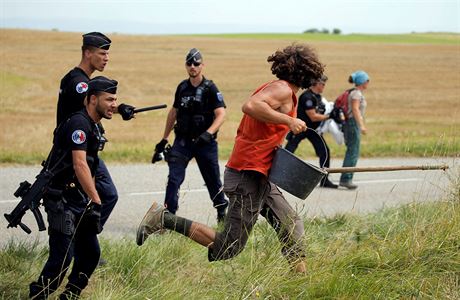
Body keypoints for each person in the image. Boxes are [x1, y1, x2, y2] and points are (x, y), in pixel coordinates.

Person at [138, 44, 324, 273]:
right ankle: (163, 219)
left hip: (261, 173)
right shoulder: (283, 90)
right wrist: (289, 121)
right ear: (307, 72)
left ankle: (300, 283)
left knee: (290, 224)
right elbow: (250, 105)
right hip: (247, 174)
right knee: (229, 246)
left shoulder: (283, 91)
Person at [29, 76, 119, 299]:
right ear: (92, 99)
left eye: (115, 99)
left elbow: (89, 165)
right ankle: (38, 295)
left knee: (90, 254)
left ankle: (70, 295)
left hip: (77, 198)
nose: (114, 104)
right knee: (62, 258)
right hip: (60, 199)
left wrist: (90, 199)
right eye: (109, 99)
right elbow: (79, 164)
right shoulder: (78, 124)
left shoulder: (94, 125)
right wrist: (96, 200)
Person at [56, 32, 135, 231]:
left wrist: (119, 109)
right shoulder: (78, 82)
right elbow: (94, 102)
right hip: (73, 152)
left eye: (108, 54)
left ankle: (84, 244)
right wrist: (119, 108)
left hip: (81, 148)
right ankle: (84, 242)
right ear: (88, 53)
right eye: (102, 53)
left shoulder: (79, 79)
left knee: (97, 197)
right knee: (105, 195)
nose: (106, 58)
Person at [152, 48, 228, 221]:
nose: (192, 66)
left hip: (205, 143)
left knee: (213, 180)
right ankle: (168, 217)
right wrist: (164, 139)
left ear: (202, 66)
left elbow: (221, 114)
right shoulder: (182, 87)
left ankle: (221, 210)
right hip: (182, 142)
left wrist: (209, 133)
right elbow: (173, 112)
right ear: (186, 66)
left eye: (196, 63)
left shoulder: (210, 88)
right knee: (174, 179)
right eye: (189, 63)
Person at [285, 75, 338, 188]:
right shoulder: (307, 97)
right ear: (316, 84)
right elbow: (313, 116)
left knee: (325, 152)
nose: (324, 86)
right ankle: (278, 174)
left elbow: (321, 112)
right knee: (288, 152)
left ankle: (325, 180)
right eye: (322, 84)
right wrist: (329, 116)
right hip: (301, 128)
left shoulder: (318, 97)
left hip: (313, 130)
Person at [339, 70, 370, 189]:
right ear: (362, 82)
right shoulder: (356, 94)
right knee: (353, 152)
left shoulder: (354, 92)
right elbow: (355, 110)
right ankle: (346, 179)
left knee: (352, 151)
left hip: (350, 123)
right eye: (367, 80)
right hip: (353, 124)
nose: (368, 83)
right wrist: (361, 125)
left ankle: (346, 178)